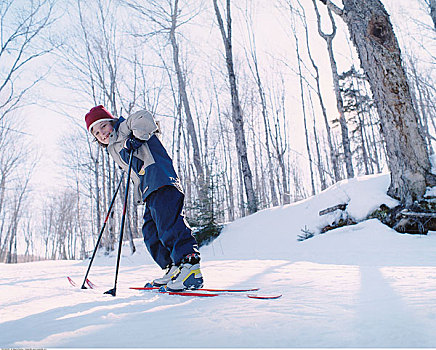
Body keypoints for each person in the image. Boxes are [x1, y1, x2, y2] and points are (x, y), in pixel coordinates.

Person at [84, 105, 203, 291]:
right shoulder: (113, 149)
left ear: (112, 122)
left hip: (161, 179)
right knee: (151, 232)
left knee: (169, 225)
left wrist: (136, 137)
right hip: (149, 189)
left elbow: (144, 117)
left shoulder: (124, 127)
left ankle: (190, 267)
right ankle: (173, 267)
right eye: (97, 133)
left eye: (104, 127)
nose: (102, 134)